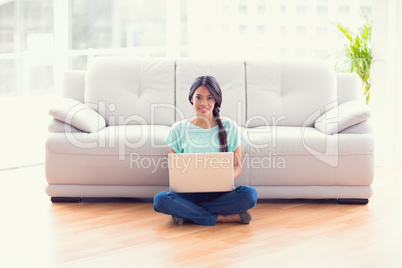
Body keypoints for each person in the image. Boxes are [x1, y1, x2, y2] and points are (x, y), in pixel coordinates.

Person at [153, 75, 257, 226]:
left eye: (209, 98)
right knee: (160, 200)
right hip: (188, 194)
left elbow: (238, 166)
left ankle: (188, 214)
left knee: (250, 195)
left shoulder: (229, 126)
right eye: (198, 97)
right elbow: (174, 167)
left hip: (221, 194)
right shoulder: (178, 129)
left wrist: (225, 179)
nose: (204, 103)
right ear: (191, 99)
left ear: (216, 100)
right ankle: (222, 217)